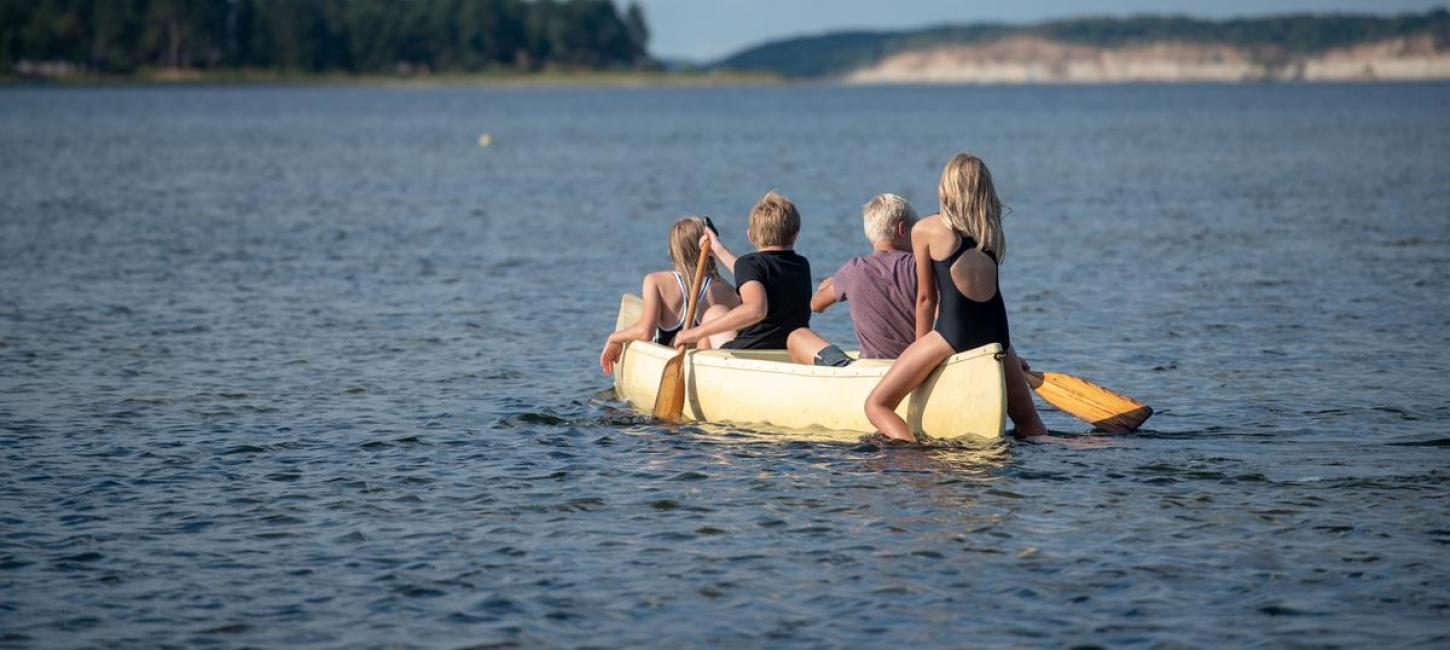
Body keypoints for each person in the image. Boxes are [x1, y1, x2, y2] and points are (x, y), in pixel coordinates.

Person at [864, 154, 1047, 441]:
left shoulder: (925, 229)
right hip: (998, 336)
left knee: (876, 405)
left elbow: (926, 299)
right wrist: (1010, 351)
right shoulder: (989, 230)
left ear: (945, 189)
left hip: (953, 335)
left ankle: (914, 453)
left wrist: (918, 354)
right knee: (1030, 425)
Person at [674, 191, 814, 355]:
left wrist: (696, 332)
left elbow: (755, 310)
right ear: (796, 233)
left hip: (751, 352)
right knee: (717, 311)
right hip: (790, 351)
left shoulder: (750, 265)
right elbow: (753, 275)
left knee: (713, 313)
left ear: (750, 235)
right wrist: (717, 249)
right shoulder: (801, 264)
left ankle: (700, 366)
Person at [599, 216, 739, 374]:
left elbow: (645, 332)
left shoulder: (656, 282)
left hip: (673, 370)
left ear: (672, 252)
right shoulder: (727, 291)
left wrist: (615, 337)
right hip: (707, 368)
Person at [796, 193, 920, 364]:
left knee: (798, 336)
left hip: (869, 367)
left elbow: (816, 305)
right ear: (902, 229)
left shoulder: (853, 270)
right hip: (913, 364)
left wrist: (836, 282)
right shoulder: (917, 266)